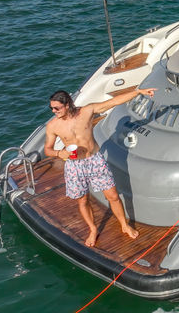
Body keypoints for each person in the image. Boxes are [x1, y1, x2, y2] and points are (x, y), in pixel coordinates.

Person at [44, 88, 156, 247]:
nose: (53, 111)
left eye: (56, 108)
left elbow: (113, 102)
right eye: (51, 108)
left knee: (113, 196)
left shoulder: (87, 111)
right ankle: (93, 229)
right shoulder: (53, 126)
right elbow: (47, 150)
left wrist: (137, 92)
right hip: (74, 166)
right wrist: (58, 153)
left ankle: (124, 225)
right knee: (82, 200)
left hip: (94, 160)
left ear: (67, 104)